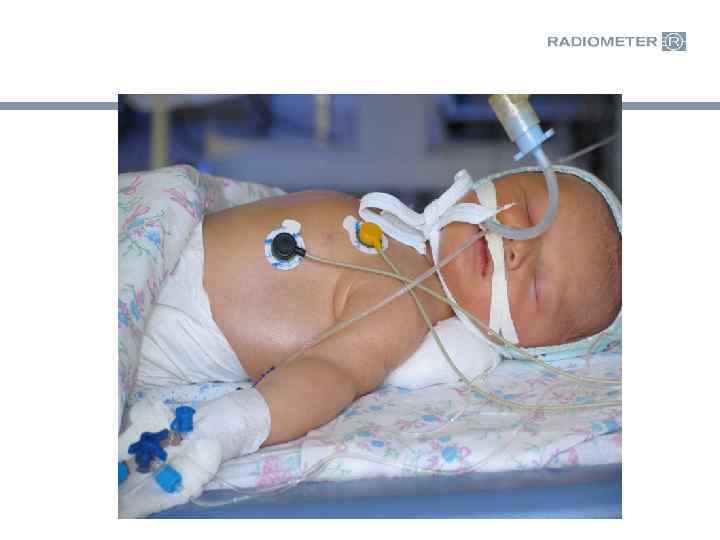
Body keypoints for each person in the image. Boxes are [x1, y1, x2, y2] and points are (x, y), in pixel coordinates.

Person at [135, 170, 621, 462]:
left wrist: (234, 424)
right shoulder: (403, 228)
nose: (517, 248)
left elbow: (332, 372)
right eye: (530, 209)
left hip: (158, 309)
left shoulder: (409, 303)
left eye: (537, 286)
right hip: (165, 228)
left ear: (522, 345)